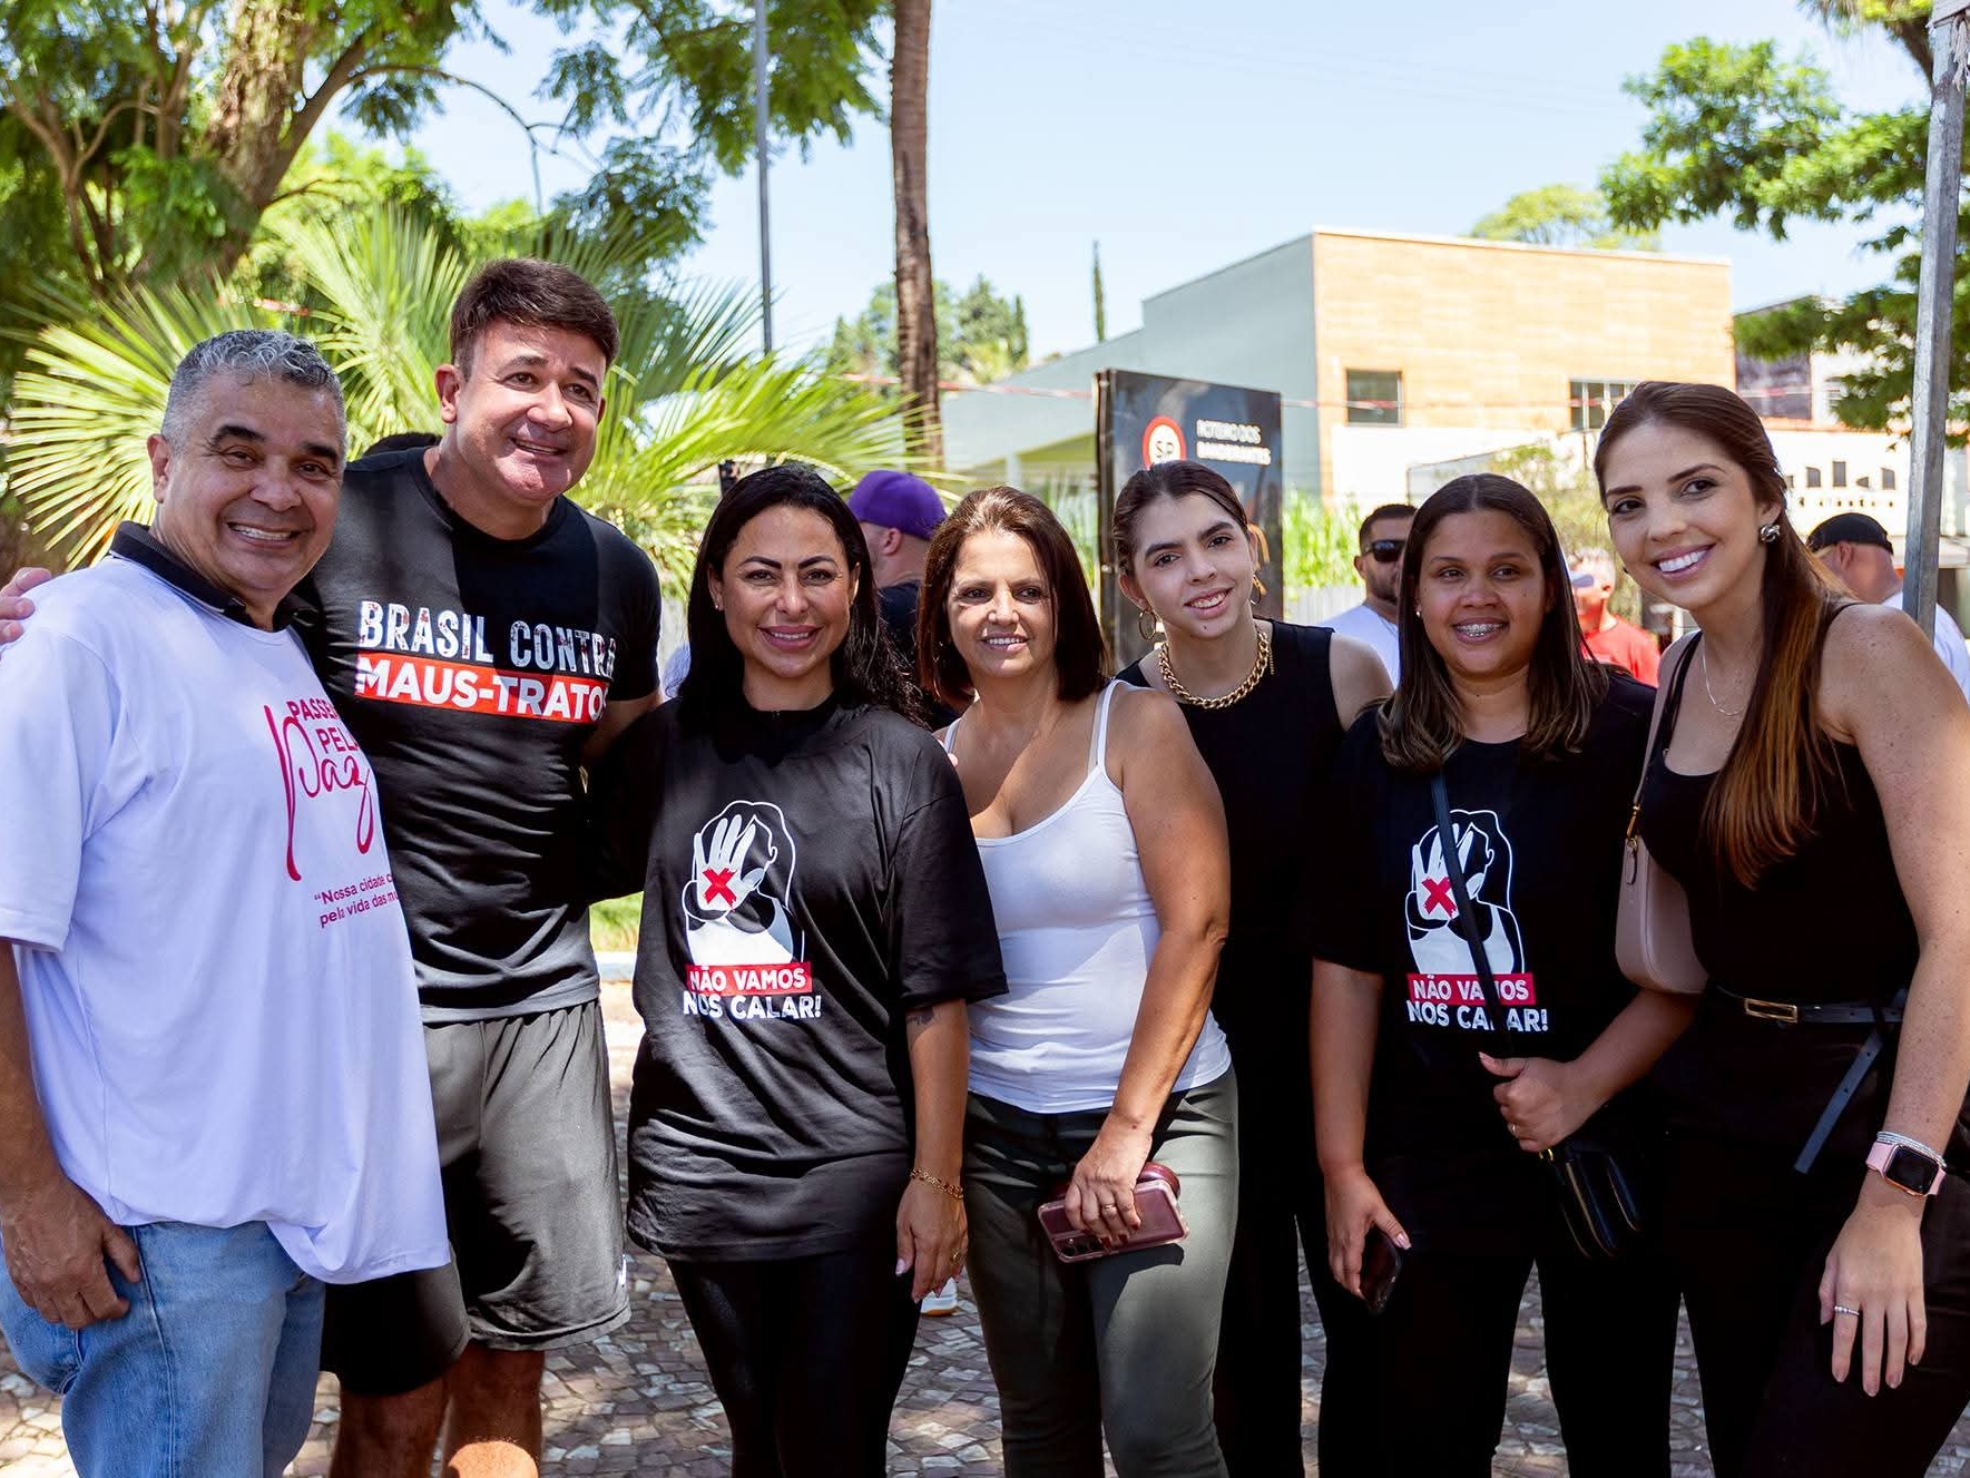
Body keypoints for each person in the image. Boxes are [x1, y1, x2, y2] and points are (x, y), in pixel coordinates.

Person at [0, 260, 668, 1478]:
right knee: (380, 1398)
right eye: (523, 375)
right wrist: (28, 1195)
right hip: (267, 1117)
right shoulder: (243, 560)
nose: (279, 492)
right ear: (450, 386)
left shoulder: (599, 577)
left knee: (488, 1373)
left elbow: (622, 769)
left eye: (581, 386)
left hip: (454, 1058)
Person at [0, 331, 448, 1477]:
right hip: (159, 1231)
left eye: (313, 465)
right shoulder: (73, 640)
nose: (278, 492)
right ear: (163, 460)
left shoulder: (264, 637)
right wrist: (30, 1197)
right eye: (238, 452)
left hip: (267, 1218)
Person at [583, 464, 1006, 1475]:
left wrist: (936, 1180)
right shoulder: (662, 749)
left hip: (852, 1178)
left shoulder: (902, 761)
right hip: (703, 1168)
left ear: (855, 584)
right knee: (759, 1443)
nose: (790, 602)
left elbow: (935, 995)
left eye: (817, 573)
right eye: (760, 573)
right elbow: (543, 857)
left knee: (831, 1447)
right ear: (716, 587)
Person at [1599, 383, 1970, 1478]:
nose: (1661, 524)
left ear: (1765, 498)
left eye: (1694, 486)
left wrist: (1893, 1196)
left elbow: (1961, 935)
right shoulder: (1676, 670)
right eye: (1629, 503)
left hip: (1889, 1128)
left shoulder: (1868, 649)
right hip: (1726, 1137)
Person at [1309, 473, 1688, 1478]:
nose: (1476, 596)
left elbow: (1689, 959)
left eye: (1506, 570)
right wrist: (1342, 1169)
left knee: (1618, 1438)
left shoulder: (1635, 733)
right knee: (1423, 1441)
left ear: (1551, 586)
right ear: (1414, 594)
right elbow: (1346, 971)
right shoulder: (1375, 751)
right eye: (1448, 573)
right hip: (1426, 1156)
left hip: (1606, 1141)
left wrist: (1584, 1083)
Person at [922, 486, 1239, 1477]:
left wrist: (1124, 1132)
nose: (1002, 612)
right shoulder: (930, 763)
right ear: (941, 612)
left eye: (1027, 589)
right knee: (1040, 1427)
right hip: (999, 1132)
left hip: (1161, 1117)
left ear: (1063, 600)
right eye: (975, 592)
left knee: (1154, 1431)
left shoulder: (1135, 725)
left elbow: (1199, 924)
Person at [1111, 459, 1389, 1476]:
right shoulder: (1125, 708)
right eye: (1166, 557)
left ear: (1253, 545)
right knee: (1241, 1349)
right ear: (1133, 584)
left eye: (1217, 540)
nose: (1200, 571)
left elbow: (1397, 866)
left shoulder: (1344, 671)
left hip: (1355, 1056)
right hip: (1208, 1073)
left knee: (1376, 1328)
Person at [1807, 511, 1970, 704]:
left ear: (1843, 553)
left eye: (1816, 569)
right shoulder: (1922, 612)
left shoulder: (1892, 622)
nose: (1815, 583)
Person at [849, 467, 955, 727]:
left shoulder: (883, 611)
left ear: (890, 540)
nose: (844, 543)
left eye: (853, 531)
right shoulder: (956, 604)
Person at [1318, 503, 1412, 684]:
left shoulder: (1450, 634)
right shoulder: (1330, 641)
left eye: (1414, 550)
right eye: (1387, 550)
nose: (1403, 561)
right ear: (1361, 566)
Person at [1570, 546, 1661, 683]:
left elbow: (1655, 694)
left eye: (1580, 583)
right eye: (1568, 583)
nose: (1571, 591)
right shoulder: (1555, 640)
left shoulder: (1637, 645)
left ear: (1606, 589)